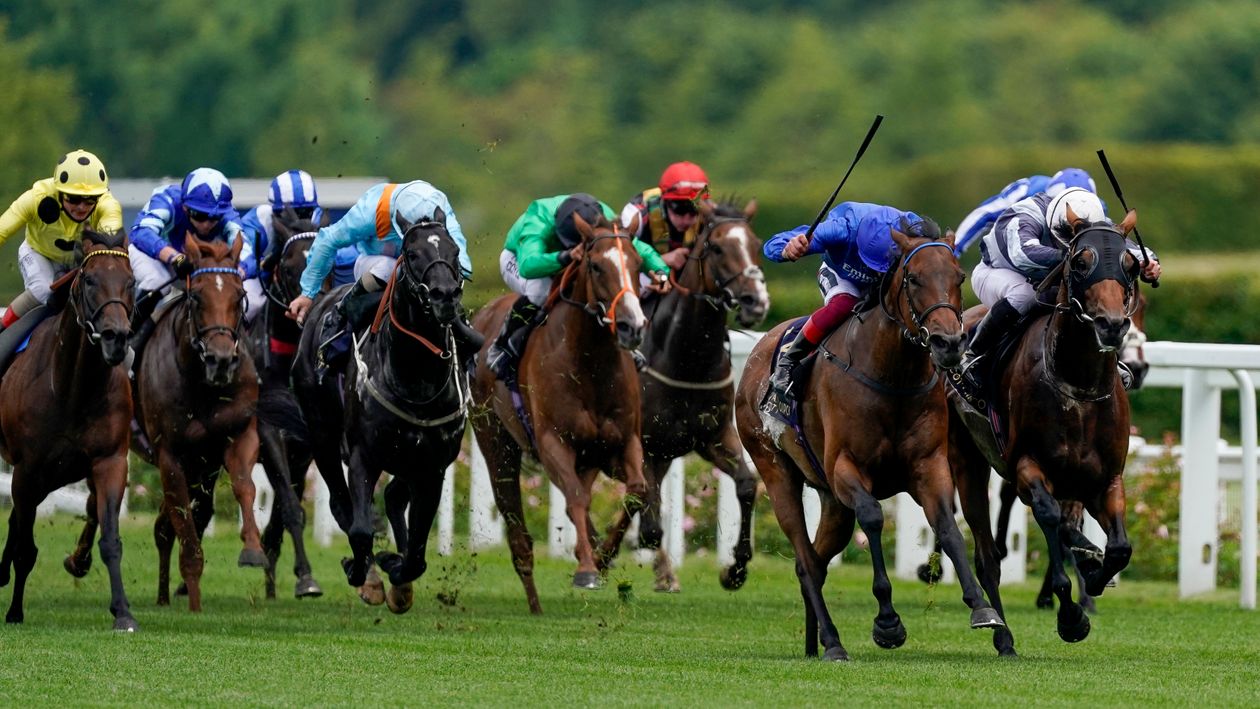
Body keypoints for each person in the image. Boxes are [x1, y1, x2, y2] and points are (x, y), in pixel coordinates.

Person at [955, 187, 1162, 398]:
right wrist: (1074, 256)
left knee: (1088, 299)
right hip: (998, 272)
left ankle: (1107, 363)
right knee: (1024, 295)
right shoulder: (1026, 214)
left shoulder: (1092, 219)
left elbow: (1130, 249)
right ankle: (974, 355)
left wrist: (1149, 264)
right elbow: (1023, 254)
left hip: (1045, 280)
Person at [285, 179, 479, 378]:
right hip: (374, 263)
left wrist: (450, 282)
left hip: (420, 270)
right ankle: (339, 319)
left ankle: (464, 349)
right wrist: (308, 293)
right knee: (389, 269)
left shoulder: (440, 206)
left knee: (443, 276)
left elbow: (460, 255)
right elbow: (328, 240)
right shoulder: (373, 209)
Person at [761, 201, 931, 418]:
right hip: (841, 277)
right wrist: (787, 249)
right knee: (843, 305)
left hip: (889, 280)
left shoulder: (914, 230)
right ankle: (788, 363)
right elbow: (771, 245)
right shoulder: (840, 230)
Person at [486, 193, 672, 382]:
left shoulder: (604, 218)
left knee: (599, 286)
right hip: (519, 258)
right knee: (540, 291)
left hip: (572, 254)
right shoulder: (538, 219)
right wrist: (565, 256)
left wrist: (661, 271)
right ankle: (502, 345)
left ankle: (619, 341)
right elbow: (528, 266)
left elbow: (637, 247)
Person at [128, 167, 253, 349]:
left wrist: (237, 272)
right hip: (151, 254)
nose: (206, 224)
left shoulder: (228, 215)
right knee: (157, 281)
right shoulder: (168, 200)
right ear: (185, 207)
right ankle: (128, 337)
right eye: (200, 216)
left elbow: (248, 251)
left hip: (193, 265)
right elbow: (140, 232)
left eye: (214, 219)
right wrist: (175, 258)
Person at [0, 149, 122, 332]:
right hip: (38, 253)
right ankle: (2, 328)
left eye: (90, 201)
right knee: (42, 290)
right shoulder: (36, 197)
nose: (81, 207)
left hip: (78, 261)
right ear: (59, 192)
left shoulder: (108, 206)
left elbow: (110, 246)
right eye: (73, 199)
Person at [241, 170, 357, 318]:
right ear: (274, 211)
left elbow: (346, 253)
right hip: (263, 277)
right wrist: (248, 267)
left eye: (305, 212)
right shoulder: (260, 219)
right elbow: (244, 252)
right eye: (290, 212)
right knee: (251, 303)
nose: (298, 220)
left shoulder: (319, 219)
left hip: (308, 280)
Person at [954, 168, 1098, 257]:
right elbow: (984, 213)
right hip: (1011, 256)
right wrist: (955, 248)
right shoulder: (1026, 190)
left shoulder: (1096, 209)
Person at [620, 161, 710, 271]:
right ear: (664, 200)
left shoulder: (711, 214)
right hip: (645, 277)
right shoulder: (636, 214)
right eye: (680, 209)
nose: (687, 220)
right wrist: (661, 260)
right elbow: (618, 256)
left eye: (695, 210)